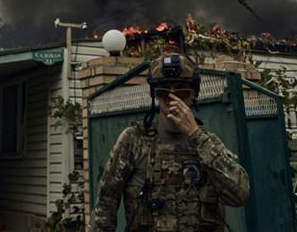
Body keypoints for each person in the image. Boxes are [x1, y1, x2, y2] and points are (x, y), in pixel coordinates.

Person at [90, 51, 250, 232]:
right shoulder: (133, 140)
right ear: (155, 96)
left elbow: (240, 195)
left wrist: (195, 135)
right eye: (164, 93)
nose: (172, 100)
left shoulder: (207, 144)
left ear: (193, 95)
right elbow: (105, 204)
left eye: (181, 93)